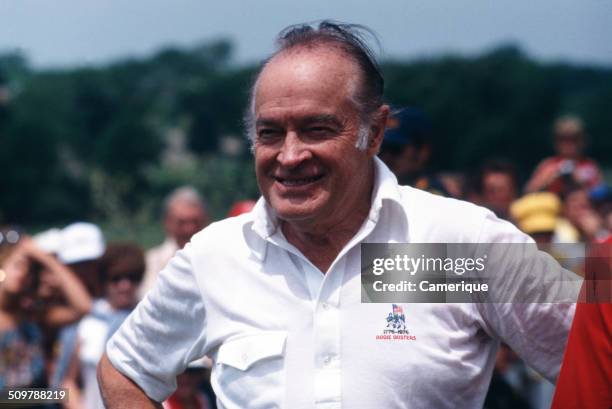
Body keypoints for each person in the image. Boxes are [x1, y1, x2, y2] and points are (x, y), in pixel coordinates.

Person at [98, 21, 579, 408]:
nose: (289, 155)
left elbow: (595, 345)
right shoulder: (217, 256)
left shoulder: (454, 242)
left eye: (316, 128)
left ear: (376, 130)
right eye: (269, 133)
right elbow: (124, 369)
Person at [62, 243, 145, 409]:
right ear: (104, 281)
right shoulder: (87, 323)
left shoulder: (147, 320)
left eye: (132, 277)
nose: (125, 286)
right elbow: (68, 382)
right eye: (116, 278)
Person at [138, 186, 209, 299]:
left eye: (195, 221)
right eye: (182, 222)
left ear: (205, 220)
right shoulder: (151, 261)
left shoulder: (218, 257)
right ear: (167, 222)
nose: (189, 229)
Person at [525, 115, 602, 196]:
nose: (569, 143)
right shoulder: (547, 165)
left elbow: (601, 196)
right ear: (555, 142)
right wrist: (549, 180)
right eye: (563, 139)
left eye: (574, 138)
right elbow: (528, 192)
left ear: (583, 140)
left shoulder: (590, 166)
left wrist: (581, 182)